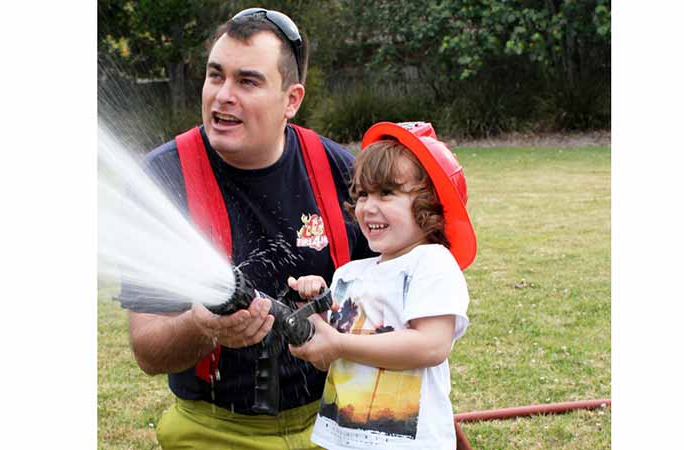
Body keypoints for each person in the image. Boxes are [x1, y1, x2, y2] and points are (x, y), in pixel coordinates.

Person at [116, 8, 373, 450]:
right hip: (213, 430)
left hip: (337, 416)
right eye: (216, 76)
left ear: (291, 100)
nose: (222, 96)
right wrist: (202, 325)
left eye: (247, 81)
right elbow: (148, 350)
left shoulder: (341, 172)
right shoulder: (162, 180)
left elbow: (399, 311)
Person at [287, 121, 477, 449]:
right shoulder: (348, 274)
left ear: (430, 203)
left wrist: (341, 345)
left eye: (386, 193)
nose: (368, 206)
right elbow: (329, 356)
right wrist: (314, 313)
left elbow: (431, 346)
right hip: (345, 438)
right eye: (362, 194)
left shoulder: (431, 263)